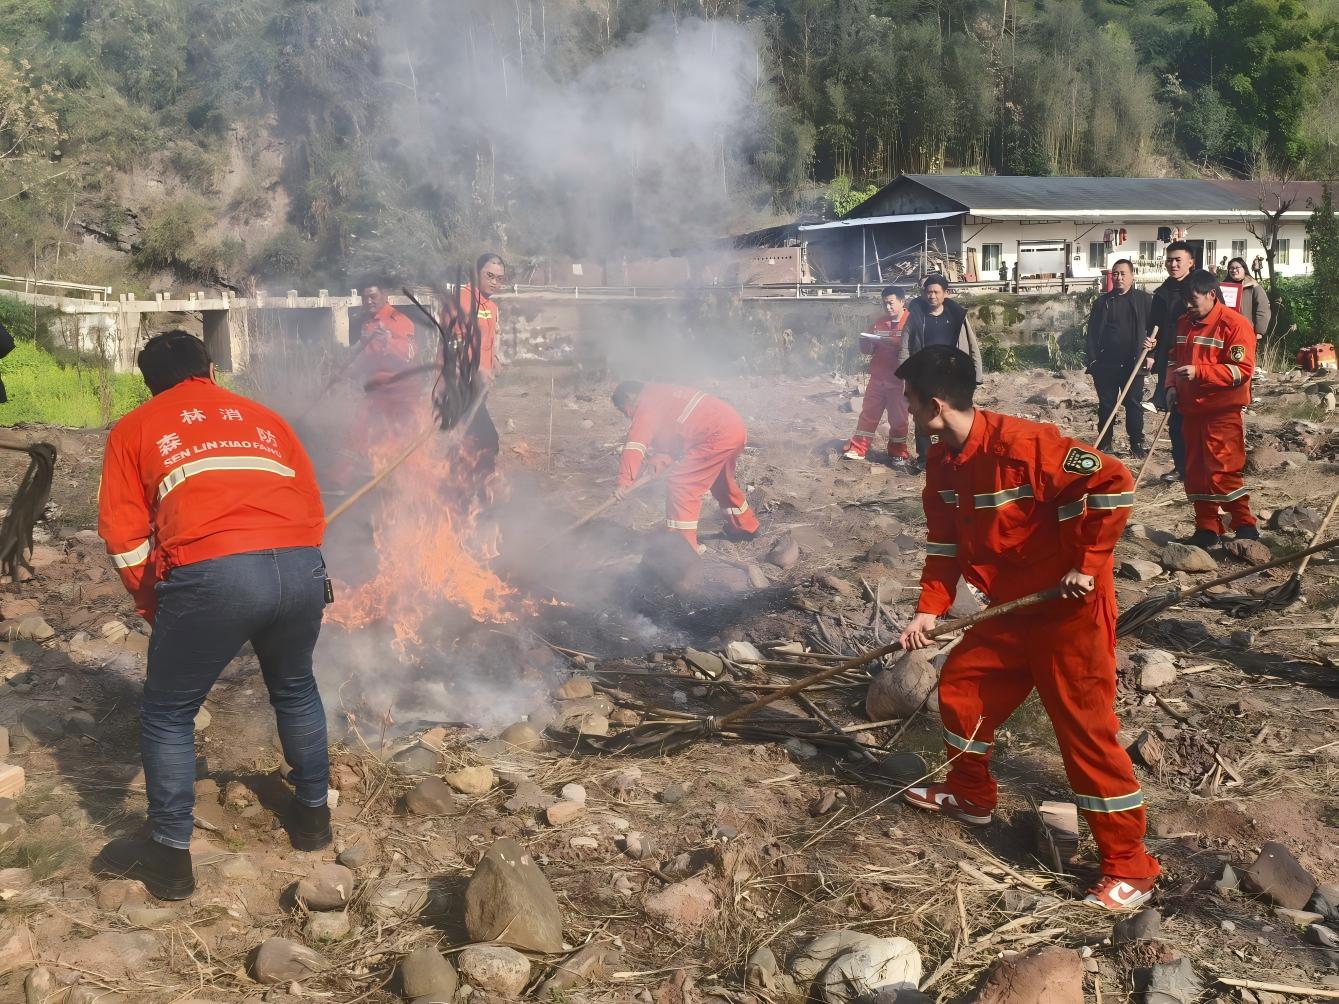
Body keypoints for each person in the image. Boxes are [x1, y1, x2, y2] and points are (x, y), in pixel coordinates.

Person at [894, 345, 1159, 911]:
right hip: (1011, 609)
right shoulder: (942, 461)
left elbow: (1115, 481)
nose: (907, 412)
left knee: (1084, 734)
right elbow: (944, 544)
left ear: (936, 405)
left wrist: (1087, 564)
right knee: (963, 688)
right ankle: (970, 796)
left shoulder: (1025, 444)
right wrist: (928, 609)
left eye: (911, 402)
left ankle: (1130, 868)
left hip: (1069, 614)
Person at [96, 331, 331, 900]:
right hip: (301, 568)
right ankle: (313, 820)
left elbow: (124, 536)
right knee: (295, 688)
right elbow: (311, 504)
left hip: (214, 574)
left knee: (168, 713)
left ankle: (169, 857)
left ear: (150, 384)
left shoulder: (136, 427)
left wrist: (154, 602)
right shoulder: (265, 419)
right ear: (211, 371)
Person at [1167, 270, 1259, 548]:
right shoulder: (1184, 322)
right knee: (1195, 472)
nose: (1188, 306)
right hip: (1190, 411)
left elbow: (1241, 370)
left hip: (1221, 412)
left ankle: (1244, 525)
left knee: (1224, 470)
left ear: (1211, 294)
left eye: (1193, 300)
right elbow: (1173, 359)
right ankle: (1207, 526)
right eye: (1185, 300)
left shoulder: (1235, 324)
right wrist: (1170, 387)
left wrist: (1201, 372)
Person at [611, 381, 759, 552]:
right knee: (721, 481)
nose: (627, 415)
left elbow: (635, 445)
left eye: (624, 410)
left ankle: (683, 550)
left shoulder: (646, 405)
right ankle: (745, 526)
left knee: (681, 485)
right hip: (733, 427)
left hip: (716, 435)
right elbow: (673, 440)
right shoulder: (661, 393)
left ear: (629, 397)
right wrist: (656, 464)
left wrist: (624, 482)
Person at [331, 282, 422, 487]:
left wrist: (390, 341)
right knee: (360, 429)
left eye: (373, 296)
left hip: (401, 392)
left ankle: (406, 481)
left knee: (398, 436)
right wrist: (345, 373)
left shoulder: (397, 319)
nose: (369, 301)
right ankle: (341, 478)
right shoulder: (368, 324)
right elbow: (367, 358)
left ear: (385, 295)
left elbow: (411, 351)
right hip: (378, 390)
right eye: (365, 298)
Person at [901, 275, 984, 463]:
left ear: (945, 293)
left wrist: (976, 374)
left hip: (951, 374)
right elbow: (904, 346)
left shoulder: (957, 316)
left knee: (952, 414)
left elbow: (972, 345)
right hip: (924, 374)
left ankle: (951, 455)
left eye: (936, 292)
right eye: (928, 292)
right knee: (922, 414)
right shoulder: (916, 316)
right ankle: (925, 459)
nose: (932, 296)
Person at [443, 253, 507, 475]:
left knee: (470, 440)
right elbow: (455, 342)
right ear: (476, 273)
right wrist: (477, 368)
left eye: (499, 278)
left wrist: (493, 359)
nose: (495, 282)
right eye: (490, 275)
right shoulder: (461, 300)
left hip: (479, 387)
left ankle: (459, 484)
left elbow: (485, 341)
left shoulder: (492, 307)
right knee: (487, 441)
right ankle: (477, 487)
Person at [1085, 260, 1153, 457]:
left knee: (1134, 404)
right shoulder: (1102, 302)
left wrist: (1152, 354)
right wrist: (1093, 361)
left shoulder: (1144, 300)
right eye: (1115, 274)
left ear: (1132, 275)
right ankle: (1105, 443)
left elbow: (1155, 331)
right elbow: (1091, 334)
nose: (1119, 277)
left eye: (1123, 273)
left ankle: (1136, 444)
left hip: (1134, 363)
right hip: (1106, 364)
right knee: (1107, 405)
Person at [843, 285, 912, 471]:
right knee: (868, 414)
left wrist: (897, 343)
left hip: (900, 380)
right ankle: (858, 448)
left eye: (891, 303)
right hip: (878, 378)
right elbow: (869, 351)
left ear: (902, 301)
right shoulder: (878, 324)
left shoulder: (911, 322)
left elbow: (917, 348)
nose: (887, 307)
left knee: (899, 419)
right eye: (884, 304)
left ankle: (898, 453)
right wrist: (864, 342)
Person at [1148, 241, 1195, 482]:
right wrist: (1152, 350)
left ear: (1191, 262)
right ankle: (1181, 467)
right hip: (1170, 359)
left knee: (1196, 417)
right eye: (1169, 260)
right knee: (1174, 413)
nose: (1173, 264)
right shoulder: (1161, 293)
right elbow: (1153, 327)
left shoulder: (1201, 288)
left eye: (1178, 260)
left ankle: (1200, 467)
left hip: (1196, 358)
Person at [1225, 256, 1271, 341]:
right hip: (1226, 331)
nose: (1234, 270)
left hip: (1246, 331)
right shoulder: (1224, 287)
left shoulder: (1254, 287)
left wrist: (1259, 331)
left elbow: (1263, 308)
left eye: (1237, 268)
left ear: (1244, 269)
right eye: (1231, 268)